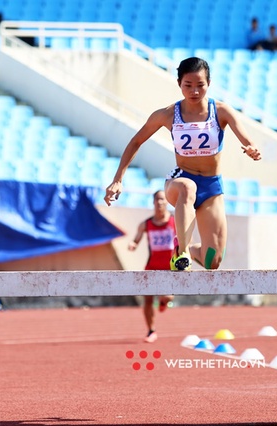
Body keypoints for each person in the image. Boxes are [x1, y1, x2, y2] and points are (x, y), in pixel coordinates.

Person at [104, 56, 261, 273]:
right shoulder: (167, 115)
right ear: (179, 84)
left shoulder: (221, 112)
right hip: (181, 180)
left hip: (211, 186)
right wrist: (117, 179)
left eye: (200, 85)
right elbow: (136, 141)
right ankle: (182, 251)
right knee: (189, 188)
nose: (194, 91)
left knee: (213, 261)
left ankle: (187, 252)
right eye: (188, 85)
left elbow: (247, 139)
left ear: (209, 84)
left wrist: (251, 148)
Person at [128, 190, 175, 343]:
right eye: (157, 199)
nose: (160, 202)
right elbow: (136, 239)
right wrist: (133, 244)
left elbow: (186, 240)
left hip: (171, 268)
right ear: (153, 202)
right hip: (152, 266)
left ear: (167, 202)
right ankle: (151, 331)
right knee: (147, 299)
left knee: (167, 296)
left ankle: (164, 301)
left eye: (162, 199)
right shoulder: (146, 224)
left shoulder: (175, 222)